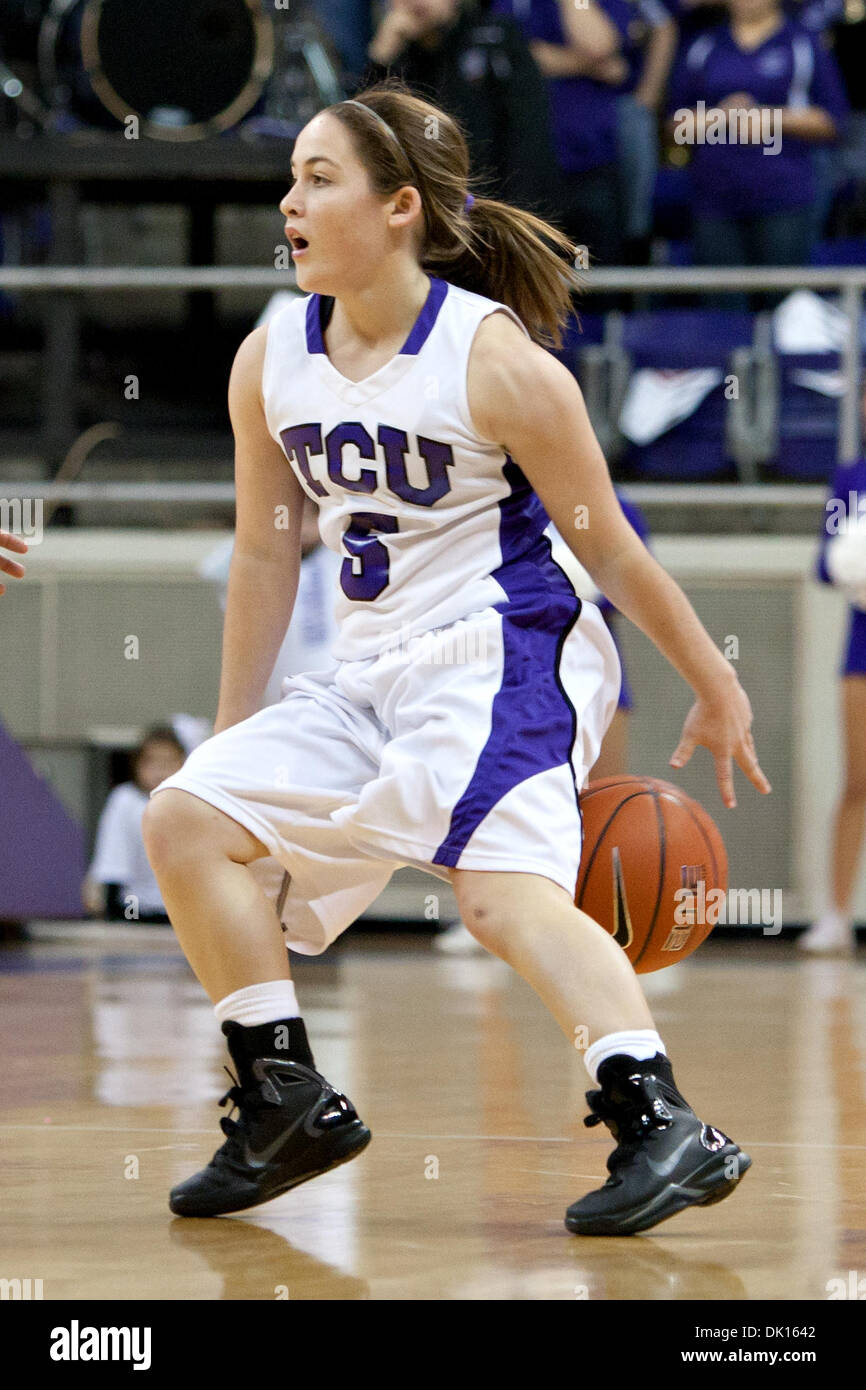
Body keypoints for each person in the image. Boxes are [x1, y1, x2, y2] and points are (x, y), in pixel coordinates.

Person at [1, 82, 769, 1236]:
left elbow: (604, 542)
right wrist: (232, 733)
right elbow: (265, 559)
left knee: (500, 892)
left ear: (399, 206)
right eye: (292, 176)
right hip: (369, 668)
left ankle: (657, 1119)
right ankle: (283, 1098)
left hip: (503, 645)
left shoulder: (495, 361)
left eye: (319, 178)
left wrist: (713, 676)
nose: (288, 199)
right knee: (183, 818)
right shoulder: (270, 356)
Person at [435, 491, 650, 952]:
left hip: (592, 678)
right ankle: (486, 915)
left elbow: (630, 584)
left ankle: (618, 927)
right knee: (490, 798)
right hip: (507, 680)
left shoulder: (616, 505)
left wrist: (572, 581)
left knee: (604, 807)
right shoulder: (492, 494)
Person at [667, 0, 848, 305]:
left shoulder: (802, 42)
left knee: (787, 309)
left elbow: (833, 122)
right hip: (715, 198)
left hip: (784, 196)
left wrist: (772, 117)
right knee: (722, 311)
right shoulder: (705, 45)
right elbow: (674, 126)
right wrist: (723, 115)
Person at [365, 0, 561, 215]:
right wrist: (379, 61)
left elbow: (529, 138)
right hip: (426, 217)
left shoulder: (496, 38)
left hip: (498, 210)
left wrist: (515, 221)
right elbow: (363, 137)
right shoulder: (395, 60)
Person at [799, 437, 866, 955]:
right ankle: (836, 915)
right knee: (858, 780)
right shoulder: (851, 477)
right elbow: (823, 566)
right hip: (860, 651)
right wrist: (851, 556)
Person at [82, 727, 186, 924]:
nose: (161, 771)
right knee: (130, 923)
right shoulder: (124, 800)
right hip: (133, 904)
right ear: (137, 765)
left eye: (168, 762)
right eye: (153, 762)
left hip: (176, 908)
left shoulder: (190, 804)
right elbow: (113, 857)